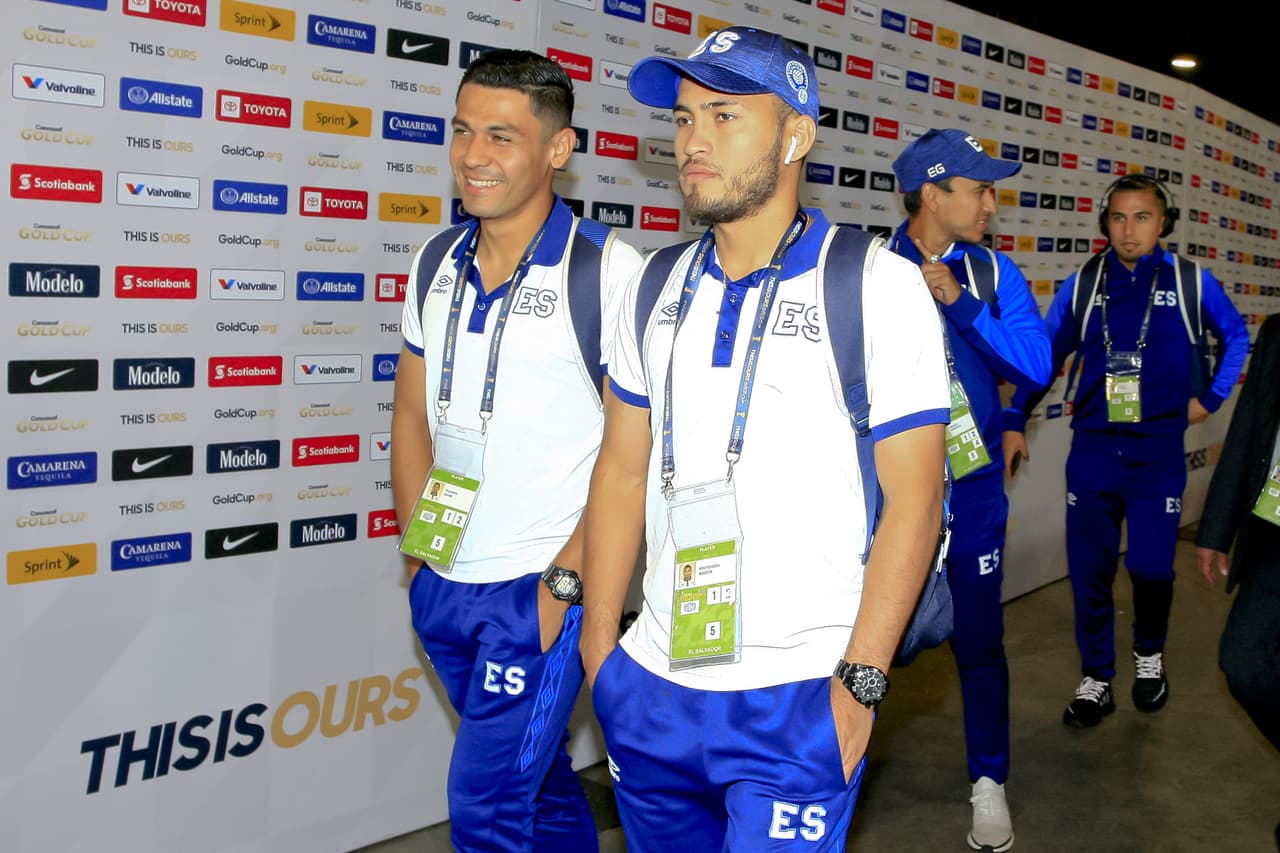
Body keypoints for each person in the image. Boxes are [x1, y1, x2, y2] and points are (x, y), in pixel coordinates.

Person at [580, 27, 951, 850]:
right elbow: (620, 468)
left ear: (795, 135)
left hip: (799, 692)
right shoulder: (650, 284)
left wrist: (858, 686)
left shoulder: (876, 284)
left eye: (723, 115)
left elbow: (916, 501)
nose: (694, 141)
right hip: (651, 685)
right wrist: (602, 653)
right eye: (682, 119)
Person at [389, 48, 642, 852]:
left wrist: (565, 583)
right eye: (463, 131)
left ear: (557, 150)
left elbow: (633, 449)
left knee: (485, 807)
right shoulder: (435, 259)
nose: (472, 156)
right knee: (535, 786)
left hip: (540, 591)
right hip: (445, 583)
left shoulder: (607, 270)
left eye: (501, 135)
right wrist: (419, 555)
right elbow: (409, 408)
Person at [1005, 173, 1249, 729]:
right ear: (1105, 223)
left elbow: (1235, 336)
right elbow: (1044, 356)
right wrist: (1015, 415)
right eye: (1118, 217)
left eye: (1142, 217)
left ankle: (1149, 657)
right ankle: (1096, 678)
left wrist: (1210, 397)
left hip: (1157, 452)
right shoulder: (1085, 282)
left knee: (1149, 567)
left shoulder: (1189, 281)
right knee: (1090, 571)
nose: (1129, 229)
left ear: (1163, 223)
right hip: (1092, 449)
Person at [889, 128, 1051, 852]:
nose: (992, 202)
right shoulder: (865, 266)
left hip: (976, 489)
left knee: (981, 643)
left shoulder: (991, 272)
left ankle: (989, 783)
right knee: (859, 642)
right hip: (884, 495)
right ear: (934, 193)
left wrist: (958, 299)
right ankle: (824, 766)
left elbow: (1037, 362)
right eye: (979, 188)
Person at [1194, 312, 1280, 847]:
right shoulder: (1277, 333)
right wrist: (1216, 528)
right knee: (1245, 663)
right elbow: (1250, 427)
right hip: (1276, 530)